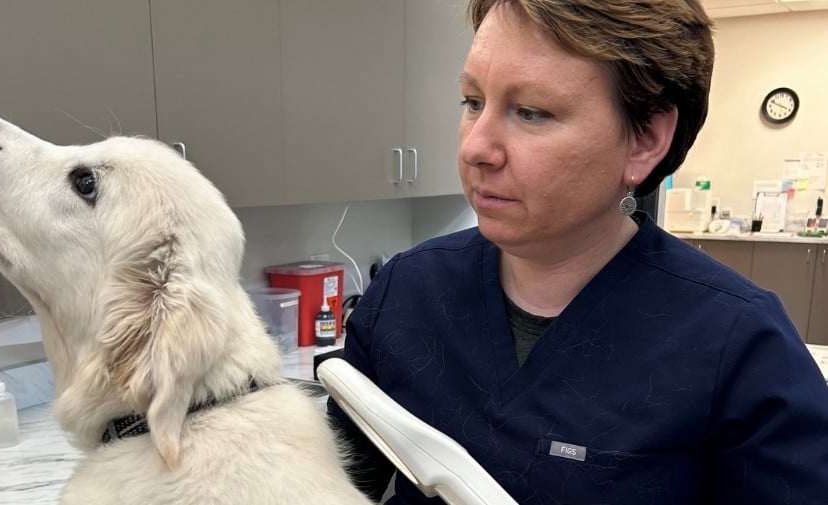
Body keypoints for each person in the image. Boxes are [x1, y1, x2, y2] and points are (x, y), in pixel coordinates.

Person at [326, 0, 828, 504]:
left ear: (645, 140)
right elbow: (322, 485)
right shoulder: (405, 293)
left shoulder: (740, 346)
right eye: (473, 101)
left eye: (532, 112)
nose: (476, 147)